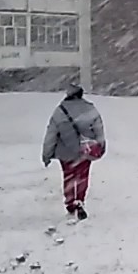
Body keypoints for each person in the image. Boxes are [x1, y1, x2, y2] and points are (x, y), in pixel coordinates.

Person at [42, 85, 106, 220]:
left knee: (68, 177)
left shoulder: (59, 111)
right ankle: (80, 201)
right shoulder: (90, 109)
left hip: (66, 152)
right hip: (85, 151)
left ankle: (70, 204)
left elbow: (51, 134)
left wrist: (47, 154)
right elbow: (99, 130)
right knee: (82, 176)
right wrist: (101, 145)